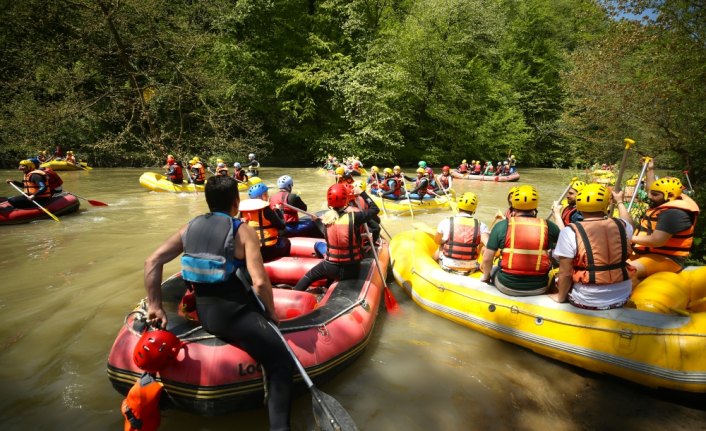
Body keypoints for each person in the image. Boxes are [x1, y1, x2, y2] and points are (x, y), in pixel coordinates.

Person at [142, 175, 293, 431]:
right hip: (235, 317)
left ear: (208, 200)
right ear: (236, 201)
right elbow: (259, 282)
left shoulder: (189, 227)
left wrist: (155, 305)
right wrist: (271, 312)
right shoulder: (242, 230)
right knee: (281, 363)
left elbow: (152, 262)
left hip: (205, 313)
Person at [550, 184, 636, 309]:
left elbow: (565, 273)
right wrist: (619, 201)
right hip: (623, 294)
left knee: (556, 278)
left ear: (578, 205)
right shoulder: (622, 225)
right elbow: (630, 224)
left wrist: (560, 298)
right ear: (607, 204)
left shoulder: (570, 232)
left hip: (588, 298)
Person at [293, 183, 379, 291]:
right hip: (351, 268)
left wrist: (316, 221)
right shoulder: (355, 217)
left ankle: (296, 291)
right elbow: (375, 209)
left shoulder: (326, 219)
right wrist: (362, 193)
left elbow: (326, 234)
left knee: (308, 276)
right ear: (346, 200)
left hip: (330, 267)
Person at [479, 185, 560, 296]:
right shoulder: (549, 226)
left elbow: (487, 258)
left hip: (506, 285)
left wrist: (486, 277)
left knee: (494, 269)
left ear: (512, 205)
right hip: (540, 287)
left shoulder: (501, 226)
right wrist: (557, 215)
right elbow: (567, 243)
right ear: (535, 206)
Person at [619, 172, 700, 279]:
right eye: (651, 193)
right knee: (609, 267)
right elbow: (651, 188)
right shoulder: (664, 202)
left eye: (655, 194)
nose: (649, 196)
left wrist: (628, 238)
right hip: (646, 255)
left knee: (624, 272)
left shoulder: (673, 213)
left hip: (667, 259)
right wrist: (650, 169)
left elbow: (657, 240)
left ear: (670, 195)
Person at [434, 192, 490, 275]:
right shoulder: (481, 225)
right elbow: (490, 246)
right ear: (474, 209)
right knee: (481, 244)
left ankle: (433, 264)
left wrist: (444, 241)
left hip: (447, 265)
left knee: (442, 245)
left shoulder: (446, 221)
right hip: (470, 268)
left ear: (458, 206)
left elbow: (437, 241)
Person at [240, 183, 290, 262]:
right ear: (260, 197)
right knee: (286, 242)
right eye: (265, 194)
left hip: (250, 251)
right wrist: (278, 211)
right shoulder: (266, 210)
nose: (267, 197)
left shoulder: (242, 211)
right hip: (266, 251)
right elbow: (282, 225)